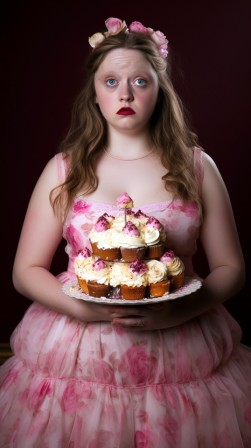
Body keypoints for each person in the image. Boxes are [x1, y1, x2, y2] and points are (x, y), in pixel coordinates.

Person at [0, 16, 251, 447]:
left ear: (160, 91)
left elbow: (231, 267)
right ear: (94, 94)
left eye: (140, 81)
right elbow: (25, 269)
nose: (125, 93)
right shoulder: (65, 168)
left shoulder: (196, 166)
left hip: (181, 345)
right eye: (111, 81)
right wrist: (83, 310)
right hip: (77, 349)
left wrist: (181, 311)